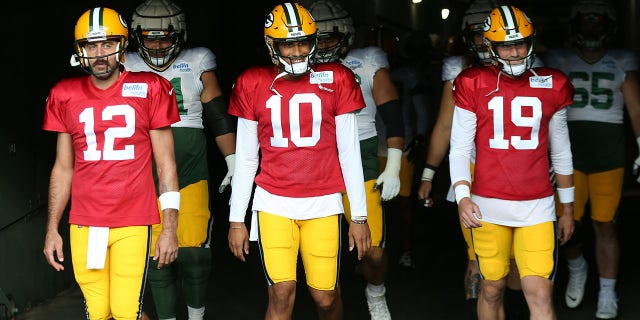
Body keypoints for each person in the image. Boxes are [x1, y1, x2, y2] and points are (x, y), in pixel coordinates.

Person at [226, 3, 371, 320]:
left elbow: (349, 153)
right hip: (273, 203)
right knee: (281, 294)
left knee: (326, 298)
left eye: (303, 42)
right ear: (271, 46)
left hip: (323, 201)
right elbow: (247, 159)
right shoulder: (252, 82)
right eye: (288, 43)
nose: (296, 50)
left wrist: (358, 216)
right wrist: (237, 220)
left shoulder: (337, 78)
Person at [42, 7, 180, 320]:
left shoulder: (150, 88)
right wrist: (52, 228)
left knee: (126, 312)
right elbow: (63, 168)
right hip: (85, 223)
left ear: (122, 45)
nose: (100, 53)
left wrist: (169, 227)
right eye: (91, 46)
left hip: (133, 220)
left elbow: (167, 166)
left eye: (107, 44)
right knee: (98, 312)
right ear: (81, 50)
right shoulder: (64, 94)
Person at [448, 5, 576, 319]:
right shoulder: (472, 82)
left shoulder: (553, 84)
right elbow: (460, 149)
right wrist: (463, 198)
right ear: (491, 47)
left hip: (537, 205)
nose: (515, 52)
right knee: (492, 288)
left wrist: (568, 207)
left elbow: (561, 152)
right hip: (487, 205)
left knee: (541, 293)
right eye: (506, 44)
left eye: (520, 43)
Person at [417, 1, 531, 319]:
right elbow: (443, 124)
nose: (485, 39)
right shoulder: (459, 70)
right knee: (483, 259)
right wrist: (428, 172)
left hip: (520, 170)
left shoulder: (528, 64)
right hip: (474, 168)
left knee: (520, 266)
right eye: (479, 33)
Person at [124, 1, 237, 319]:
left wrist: (232, 160)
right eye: (150, 38)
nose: (158, 45)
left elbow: (216, 113)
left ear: (180, 35)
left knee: (194, 255)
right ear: (136, 37)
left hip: (191, 170)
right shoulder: (124, 62)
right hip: (144, 175)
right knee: (156, 257)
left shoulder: (197, 59)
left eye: (165, 38)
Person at [308, 1, 405, 319]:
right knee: (326, 253)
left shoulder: (366, 63)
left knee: (374, 253)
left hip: (360, 162)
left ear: (346, 37)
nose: (321, 46)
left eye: (329, 38)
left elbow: (392, 117)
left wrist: (392, 166)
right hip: (317, 167)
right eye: (316, 38)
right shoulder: (294, 67)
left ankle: (376, 291)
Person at [545, 1, 640, 318]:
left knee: (605, 225)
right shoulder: (559, 59)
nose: (591, 30)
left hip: (608, 155)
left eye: (596, 24)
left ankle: (607, 292)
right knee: (565, 225)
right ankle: (577, 265)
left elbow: (635, 109)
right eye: (586, 24)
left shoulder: (622, 60)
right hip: (568, 155)